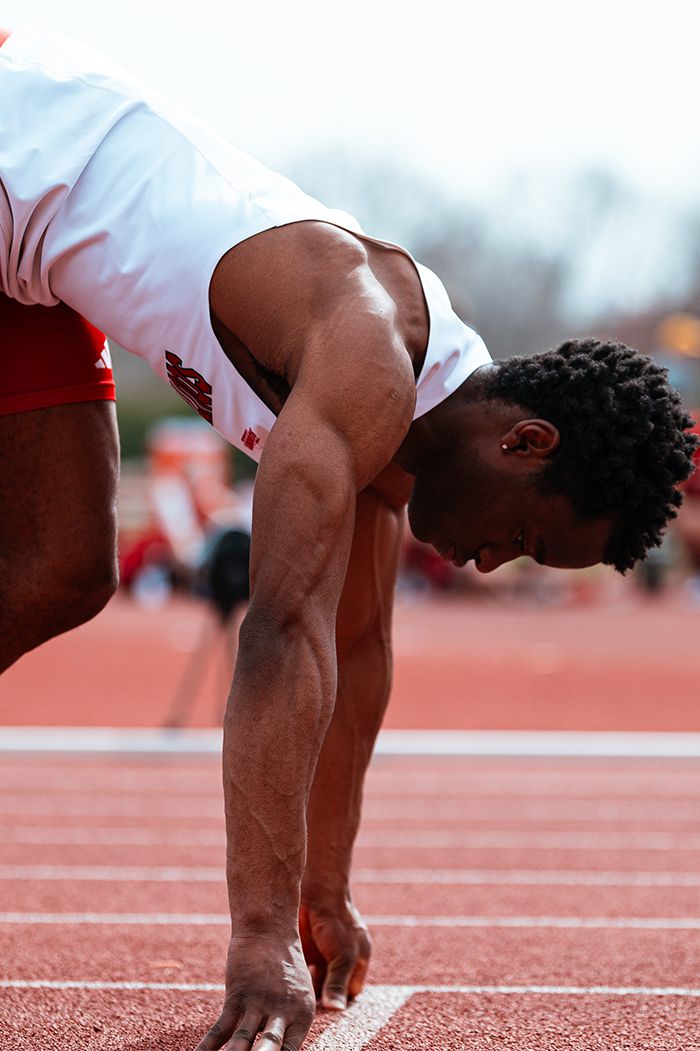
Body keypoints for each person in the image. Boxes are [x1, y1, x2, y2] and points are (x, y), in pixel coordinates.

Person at [0, 26, 696, 1051]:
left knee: (62, 569)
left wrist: (319, 893)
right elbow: (280, 636)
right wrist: (253, 941)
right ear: (523, 440)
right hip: (19, 145)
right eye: (521, 536)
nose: (492, 563)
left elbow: (357, 651)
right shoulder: (367, 365)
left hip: (30, 261)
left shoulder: (408, 440)